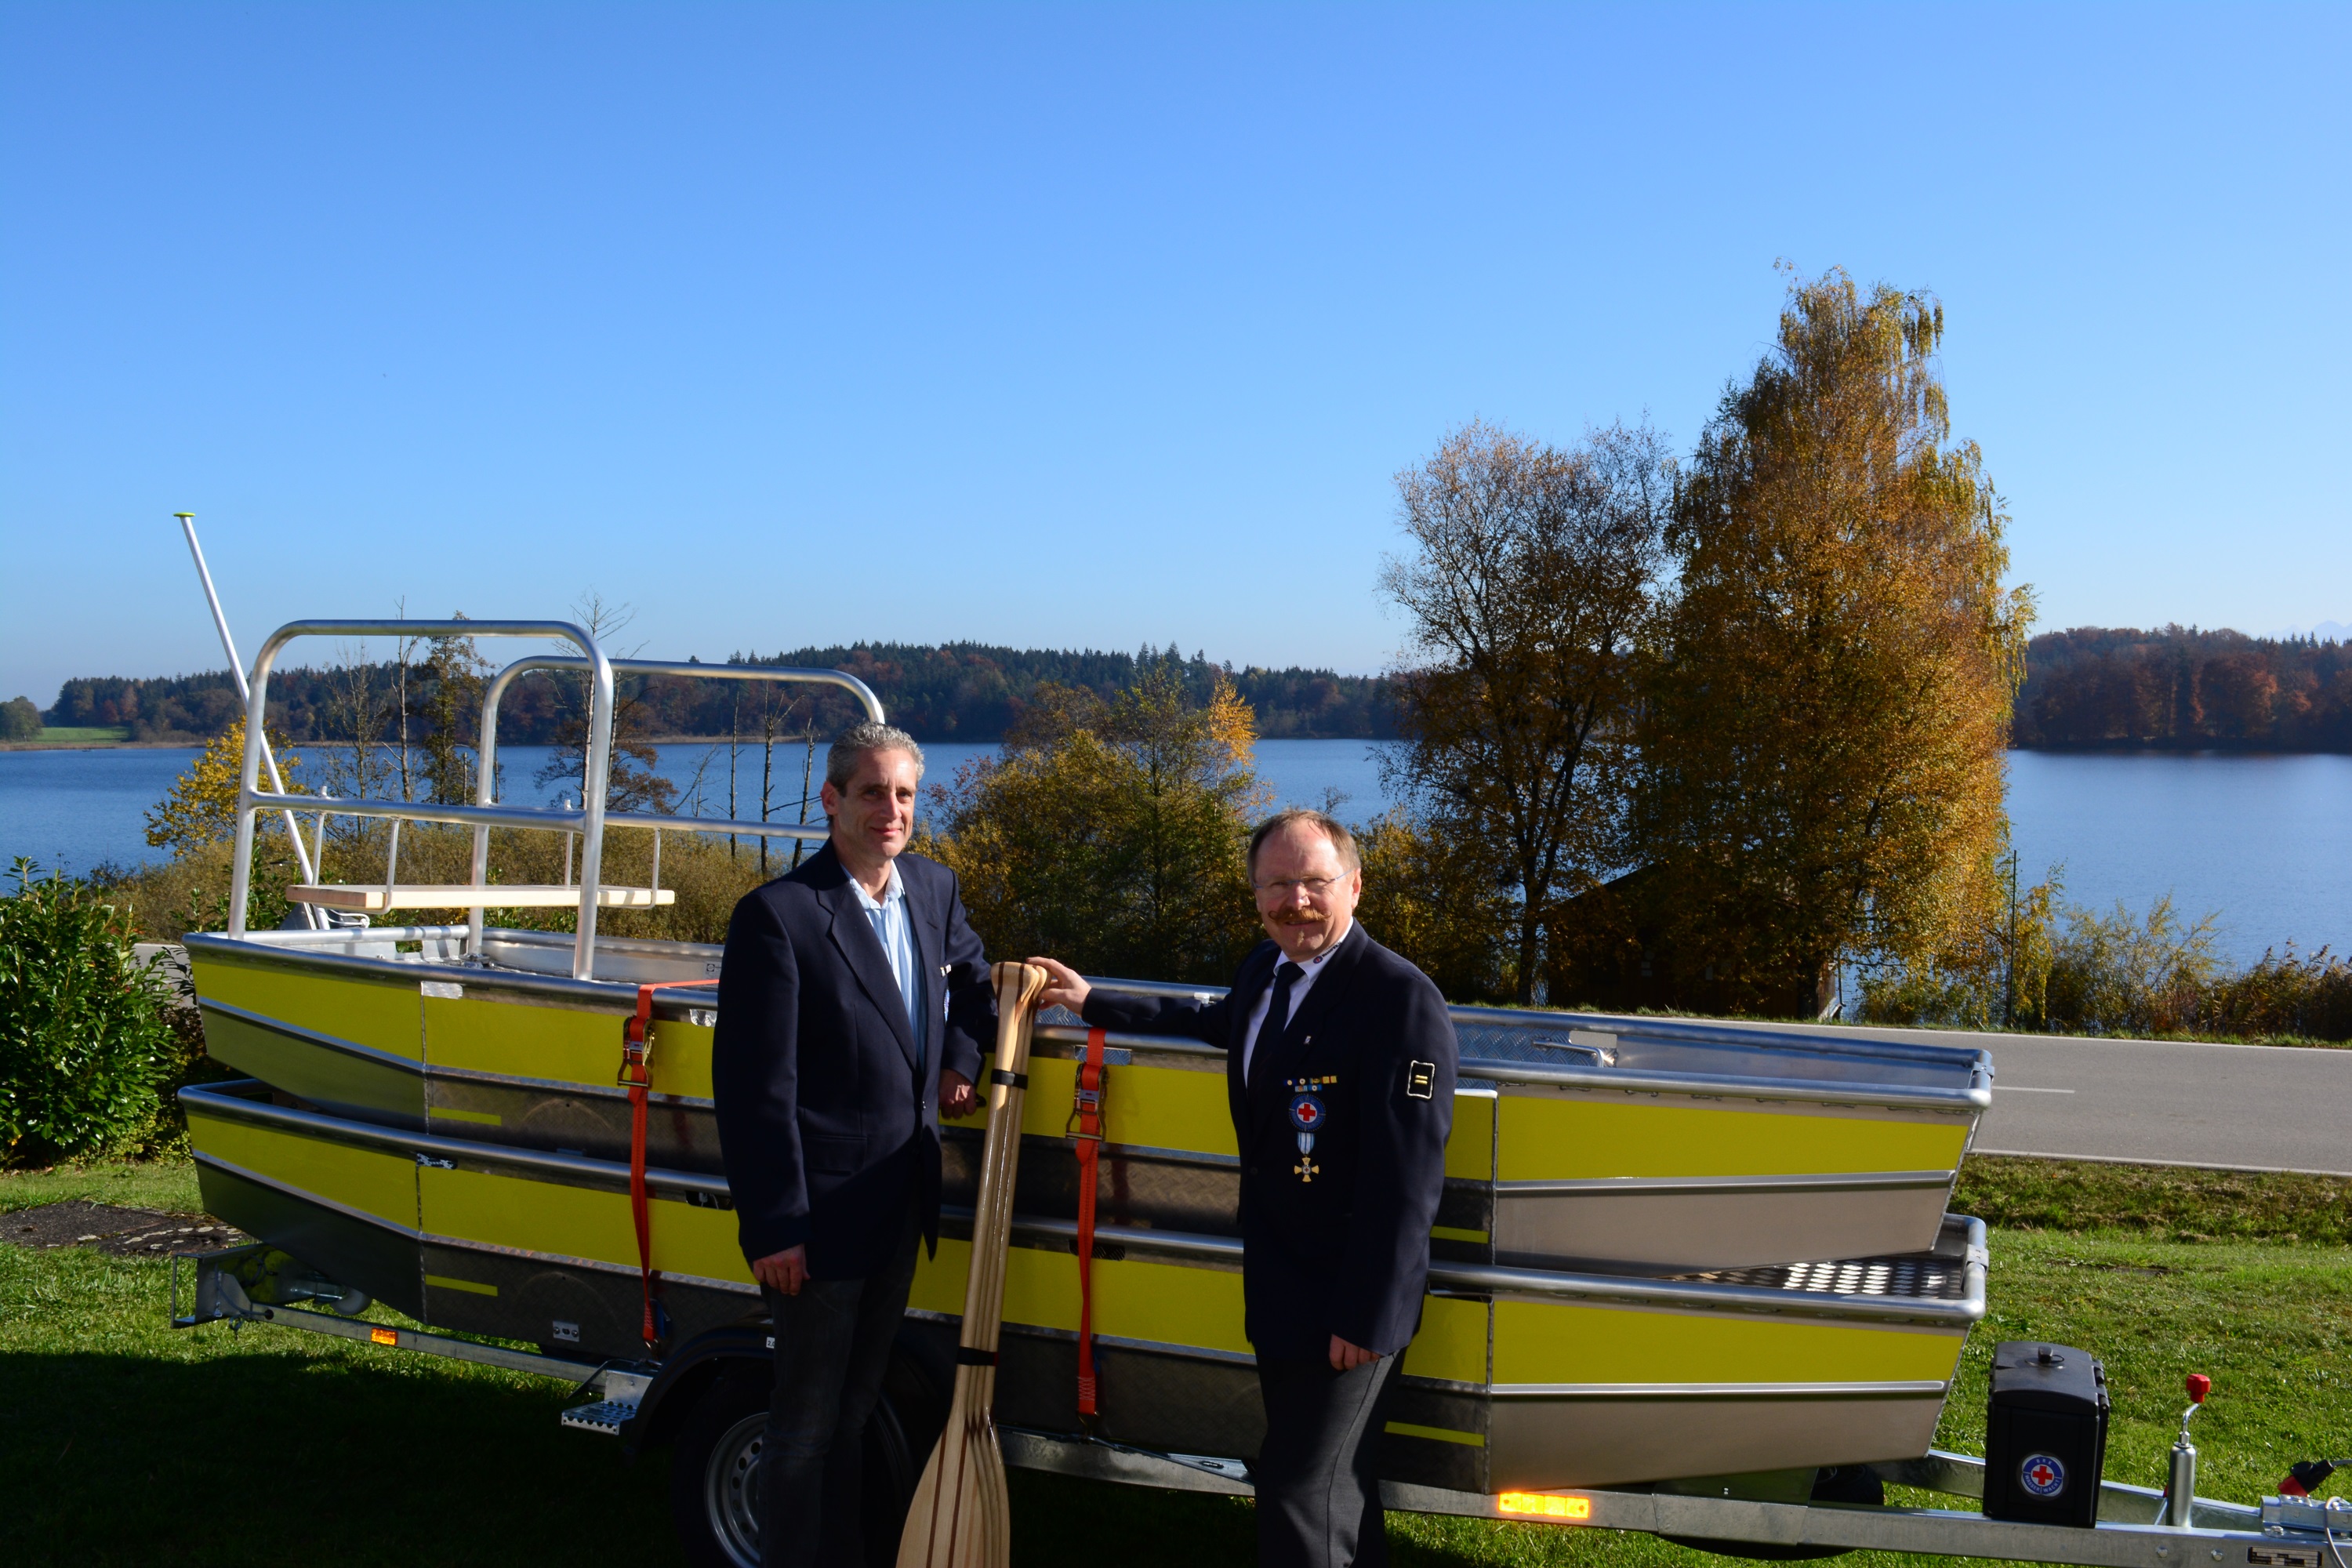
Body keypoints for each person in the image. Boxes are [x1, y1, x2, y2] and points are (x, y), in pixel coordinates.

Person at [1032, 808, 1458, 1568]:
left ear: (1354, 886)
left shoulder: (1399, 998)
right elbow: (1215, 1020)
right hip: (1280, 1287)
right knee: (1333, 1488)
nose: (1295, 900)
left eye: (1314, 882)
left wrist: (1367, 1312)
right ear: (1255, 892)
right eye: (1277, 883)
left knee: (1298, 1489)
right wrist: (1094, 1001)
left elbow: (1408, 1179)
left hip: (1348, 1305)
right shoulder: (1265, 971)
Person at [713, 720, 996, 1568]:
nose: (892, 809)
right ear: (831, 798)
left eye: (905, 793)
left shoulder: (933, 890)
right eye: (872, 791)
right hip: (818, 1222)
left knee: (856, 1409)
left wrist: (960, 1059)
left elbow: (977, 985)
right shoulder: (781, 915)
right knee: (803, 1424)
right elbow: (756, 1089)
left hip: (898, 1204)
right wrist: (774, 1227)